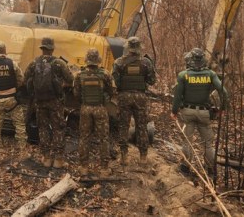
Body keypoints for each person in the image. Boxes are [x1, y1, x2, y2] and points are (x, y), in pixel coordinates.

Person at [171, 47, 228, 174]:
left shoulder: (183, 75)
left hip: (188, 112)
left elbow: (177, 95)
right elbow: (223, 91)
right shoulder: (211, 74)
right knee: (208, 143)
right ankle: (210, 169)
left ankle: (185, 167)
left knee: (187, 140)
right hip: (204, 113)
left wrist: (174, 111)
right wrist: (223, 108)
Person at [24, 37, 73, 168]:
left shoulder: (34, 62)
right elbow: (70, 78)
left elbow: (25, 77)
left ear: (42, 48)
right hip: (55, 102)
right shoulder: (58, 63)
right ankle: (58, 160)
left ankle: (46, 158)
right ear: (52, 49)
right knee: (58, 129)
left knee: (43, 129)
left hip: (39, 101)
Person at [112, 36, 156, 166]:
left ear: (128, 48)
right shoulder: (146, 63)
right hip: (140, 98)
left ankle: (124, 156)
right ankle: (143, 157)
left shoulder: (119, 62)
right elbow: (152, 81)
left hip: (124, 97)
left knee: (123, 126)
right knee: (141, 127)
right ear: (139, 48)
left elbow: (116, 81)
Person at [73, 48, 114, 176]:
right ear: (98, 60)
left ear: (87, 59)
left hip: (85, 108)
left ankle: (83, 167)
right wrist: (105, 99)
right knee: (103, 138)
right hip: (100, 108)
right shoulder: (105, 74)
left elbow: (76, 93)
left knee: (84, 138)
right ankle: (104, 169)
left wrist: (84, 102)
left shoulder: (80, 75)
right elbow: (111, 91)